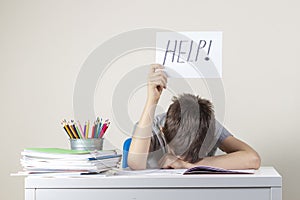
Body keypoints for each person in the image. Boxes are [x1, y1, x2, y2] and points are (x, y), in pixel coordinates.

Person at [128, 64, 261, 170]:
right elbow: (135, 163)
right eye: (179, 154)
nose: (185, 159)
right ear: (163, 131)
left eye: (192, 156)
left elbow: (252, 158)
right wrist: (152, 99)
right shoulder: (152, 126)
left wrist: (189, 165)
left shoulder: (207, 125)